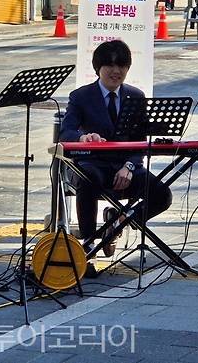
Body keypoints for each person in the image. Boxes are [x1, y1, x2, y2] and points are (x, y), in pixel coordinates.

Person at [59, 40, 173, 261]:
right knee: (88, 178)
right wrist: (83, 138)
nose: (116, 71)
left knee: (162, 194)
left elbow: (140, 141)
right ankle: (89, 244)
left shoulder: (136, 96)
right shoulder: (81, 96)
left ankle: (121, 221)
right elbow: (65, 132)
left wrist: (129, 166)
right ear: (98, 68)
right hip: (94, 164)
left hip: (126, 166)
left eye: (122, 66)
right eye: (110, 66)